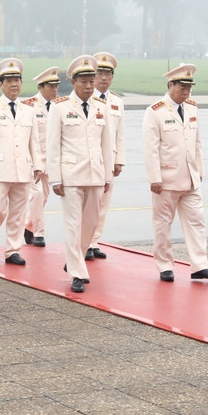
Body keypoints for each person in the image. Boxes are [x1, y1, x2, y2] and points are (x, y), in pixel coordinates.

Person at [143, 64, 208, 282]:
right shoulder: (155, 111)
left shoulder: (192, 108)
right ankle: (165, 265)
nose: (186, 92)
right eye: (182, 87)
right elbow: (151, 148)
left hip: (191, 178)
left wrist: (199, 171)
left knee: (197, 221)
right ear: (170, 85)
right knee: (163, 224)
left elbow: (197, 144)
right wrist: (154, 177)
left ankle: (199, 266)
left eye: (189, 87)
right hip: (166, 180)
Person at [47, 55, 114, 293]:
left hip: (96, 174)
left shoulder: (102, 107)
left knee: (91, 224)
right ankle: (77, 271)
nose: (88, 86)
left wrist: (107, 176)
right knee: (73, 225)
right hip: (71, 175)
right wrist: (55, 177)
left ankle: (75, 259)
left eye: (91, 81)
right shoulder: (60, 107)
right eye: (83, 81)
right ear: (73, 82)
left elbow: (107, 145)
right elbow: (53, 144)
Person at [0, 58, 43, 266]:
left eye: (17, 80)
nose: (14, 84)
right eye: (9, 80)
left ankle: (12, 250)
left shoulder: (29, 110)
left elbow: (34, 142)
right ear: (1, 84)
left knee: (18, 212)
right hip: (0, 168)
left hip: (23, 168)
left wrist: (38, 166)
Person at [88, 51, 125, 260]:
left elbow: (121, 134)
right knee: (89, 204)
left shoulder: (117, 102)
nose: (103, 78)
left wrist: (119, 160)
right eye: (99, 73)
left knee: (103, 203)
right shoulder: (86, 99)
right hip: (91, 159)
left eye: (107, 74)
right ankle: (84, 242)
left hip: (109, 160)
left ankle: (94, 242)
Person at [21, 66, 61, 248]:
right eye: (51, 86)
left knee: (43, 198)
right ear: (40, 87)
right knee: (36, 196)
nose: (55, 89)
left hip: (51, 161)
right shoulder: (29, 106)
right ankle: (39, 234)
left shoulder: (59, 106)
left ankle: (28, 226)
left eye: (56, 86)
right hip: (33, 161)